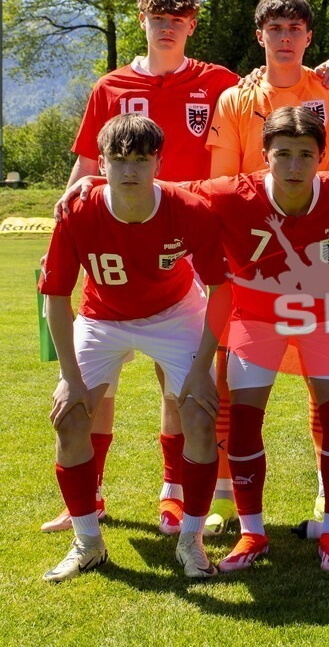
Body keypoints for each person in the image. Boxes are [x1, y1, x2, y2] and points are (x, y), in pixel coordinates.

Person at [42, 0, 239, 537]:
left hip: (185, 240)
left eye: (178, 18)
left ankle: (172, 494)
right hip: (119, 239)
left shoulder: (220, 82)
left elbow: (269, 97)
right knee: (95, 390)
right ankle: (90, 495)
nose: (168, 26)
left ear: (192, 25)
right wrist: (72, 200)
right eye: (159, 17)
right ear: (143, 21)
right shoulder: (112, 86)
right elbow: (89, 159)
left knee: (177, 383)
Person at [205, 0, 329, 530]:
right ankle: (226, 500)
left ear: (308, 38)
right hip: (252, 257)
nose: (285, 37)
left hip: (321, 255)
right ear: (260, 36)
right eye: (275, 28)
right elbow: (221, 183)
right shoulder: (236, 98)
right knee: (230, 387)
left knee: (324, 386)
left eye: (295, 29)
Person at [39, 114, 226, 582]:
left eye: (141, 160)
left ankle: (191, 541)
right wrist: (70, 378)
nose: (130, 170)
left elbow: (222, 290)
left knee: (200, 417)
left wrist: (202, 367)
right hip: (102, 317)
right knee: (70, 417)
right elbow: (56, 297)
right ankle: (88, 543)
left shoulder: (188, 209)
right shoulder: (77, 211)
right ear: (101, 164)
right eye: (119, 160)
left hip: (176, 313)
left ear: (158, 163)